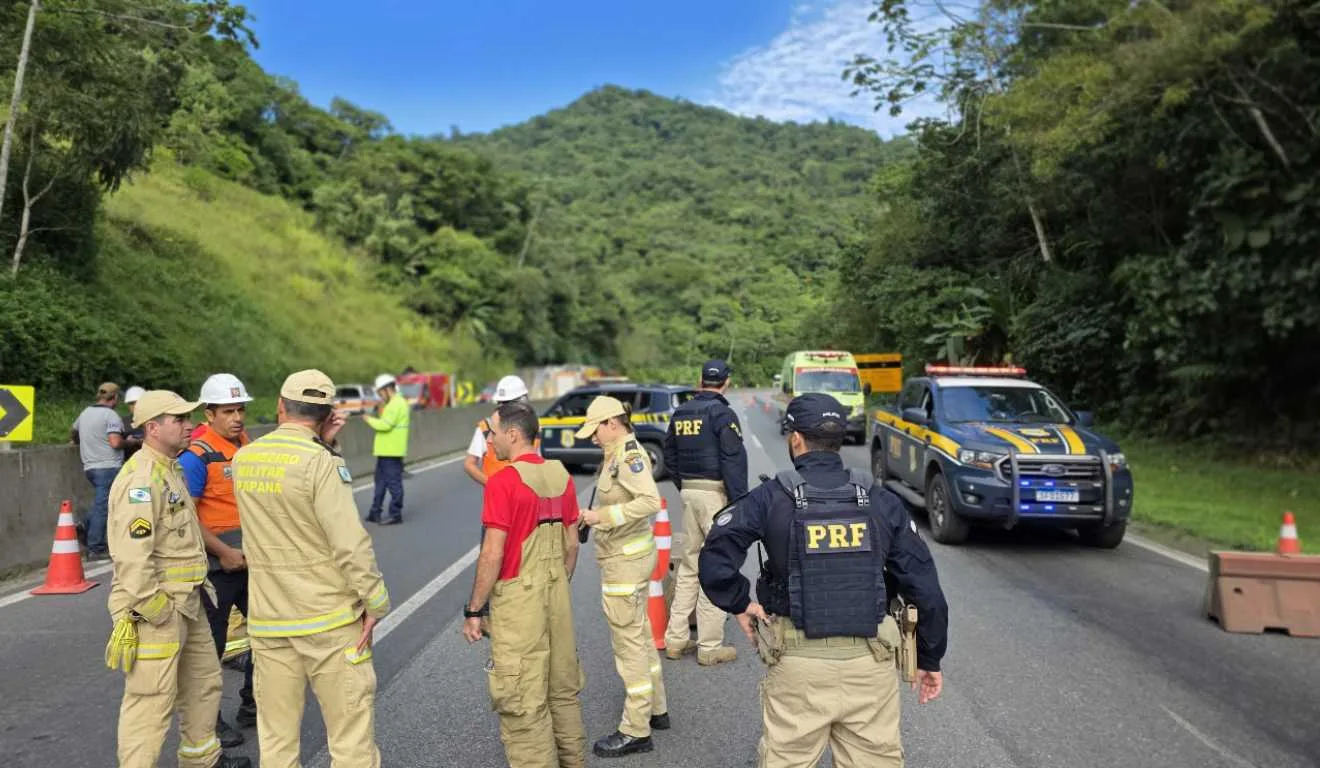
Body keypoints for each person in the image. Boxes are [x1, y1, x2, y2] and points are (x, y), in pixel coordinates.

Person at [698, 393, 949, 768]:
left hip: (798, 664)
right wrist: (929, 657)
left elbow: (715, 556)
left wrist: (740, 603)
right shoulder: (881, 501)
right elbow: (925, 588)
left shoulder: (770, 497)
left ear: (796, 438)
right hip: (871, 663)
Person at [233, 369, 390, 768]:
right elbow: (350, 543)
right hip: (328, 621)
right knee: (350, 741)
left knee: (276, 741)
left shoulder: (244, 458)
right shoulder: (321, 462)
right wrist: (375, 602)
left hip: (269, 622)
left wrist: (323, 441)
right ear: (327, 415)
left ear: (280, 406)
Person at [102, 390, 250, 768]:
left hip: (189, 601)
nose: (189, 426)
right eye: (179, 420)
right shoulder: (141, 479)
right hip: (160, 609)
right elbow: (132, 558)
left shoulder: (173, 469)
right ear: (153, 428)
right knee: (151, 700)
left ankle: (203, 760)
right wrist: (156, 610)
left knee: (203, 684)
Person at [462, 400, 586, 768]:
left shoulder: (503, 481)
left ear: (513, 434)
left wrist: (474, 609)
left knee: (522, 700)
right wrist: (558, 582)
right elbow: (572, 544)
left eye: (493, 433)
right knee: (562, 691)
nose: (490, 441)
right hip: (556, 592)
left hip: (520, 601)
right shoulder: (560, 475)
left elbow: (492, 554)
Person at [576, 396, 670, 758]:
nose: (592, 437)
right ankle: (657, 709)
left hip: (624, 562)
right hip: (633, 556)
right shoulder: (616, 452)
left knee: (629, 647)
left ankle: (635, 730)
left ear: (612, 423)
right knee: (641, 636)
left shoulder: (629, 456)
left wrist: (601, 517)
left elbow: (649, 501)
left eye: (595, 430)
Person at [177, 374, 255, 747]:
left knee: (269, 636)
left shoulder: (247, 446)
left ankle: (253, 703)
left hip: (252, 560)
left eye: (240, 410)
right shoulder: (196, 457)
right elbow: (187, 518)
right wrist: (223, 552)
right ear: (209, 414)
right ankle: (208, 723)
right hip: (217, 569)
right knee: (211, 649)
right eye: (228, 411)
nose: (237, 418)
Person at [661, 359, 747, 665]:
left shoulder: (682, 412)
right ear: (726, 382)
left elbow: (669, 455)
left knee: (689, 565)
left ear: (701, 381)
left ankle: (675, 640)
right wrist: (739, 505)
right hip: (715, 495)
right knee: (717, 565)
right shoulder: (723, 414)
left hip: (689, 491)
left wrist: (684, 485)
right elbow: (733, 461)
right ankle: (709, 647)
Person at [72, 382, 127, 561]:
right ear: (115, 397)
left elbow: (74, 433)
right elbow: (115, 442)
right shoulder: (110, 415)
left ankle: (84, 525)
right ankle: (96, 548)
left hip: (90, 467)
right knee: (104, 507)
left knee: (100, 503)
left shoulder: (85, 413)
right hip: (108, 467)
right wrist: (132, 442)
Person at [463, 375, 541, 487]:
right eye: (502, 403)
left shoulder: (533, 426)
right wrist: (494, 486)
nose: (503, 407)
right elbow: (469, 464)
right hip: (497, 496)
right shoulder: (486, 428)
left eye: (507, 403)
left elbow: (539, 461)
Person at [363, 372, 409, 525]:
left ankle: (396, 514)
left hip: (392, 451)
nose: (380, 396)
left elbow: (385, 425)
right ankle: (375, 512)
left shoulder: (396, 404)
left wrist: (368, 419)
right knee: (380, 483)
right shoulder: (392, 404)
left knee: (394, 484)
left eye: (380, 393)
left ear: (387, 389)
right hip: (385, 451)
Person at [123, 386, 146, 461]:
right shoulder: (122, 422)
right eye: (131, 403)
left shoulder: (153, 421)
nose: (134, 406)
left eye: (136, 403)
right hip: (128, 463)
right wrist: (127, 442)